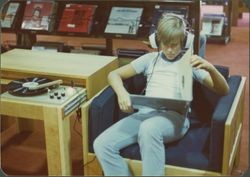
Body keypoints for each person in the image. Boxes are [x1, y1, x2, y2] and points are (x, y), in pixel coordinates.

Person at [93, 14, 229, 176]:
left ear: (183, 42)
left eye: (174, 45)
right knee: (102, 144)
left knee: (148, 128)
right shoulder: (149, 59)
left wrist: (211, 69)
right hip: (144, 116)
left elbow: (223, 90)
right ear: (158, 41)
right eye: (165, 44)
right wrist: (122, 93)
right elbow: (114, 75)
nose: (170, 50)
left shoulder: (190, 63)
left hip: (175, 119)